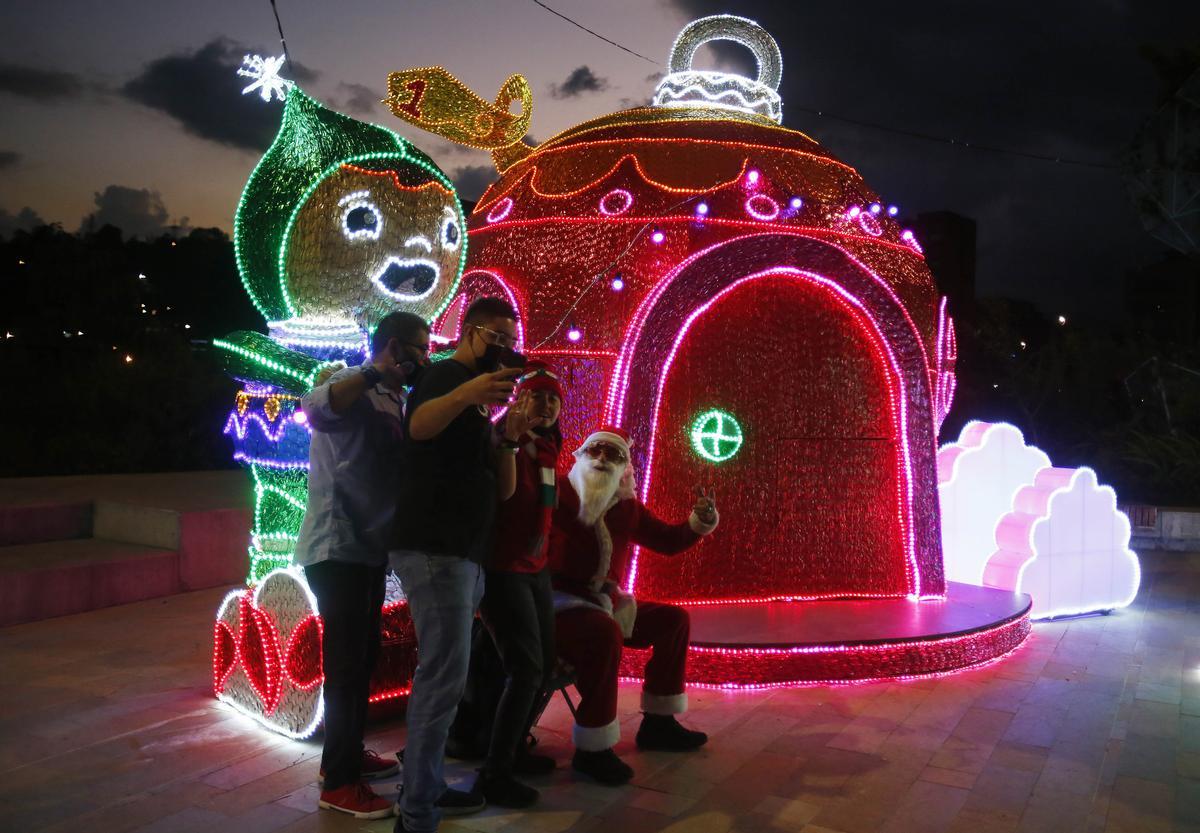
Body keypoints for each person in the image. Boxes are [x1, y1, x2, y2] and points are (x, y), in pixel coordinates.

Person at [390, 297, 526, 833]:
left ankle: (428, 788)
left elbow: (507, 489)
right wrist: (469, 392)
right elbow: (418, 427)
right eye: (495, 337)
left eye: (510, 340)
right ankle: (417, 813)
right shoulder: (445, 374)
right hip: (435, 549)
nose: (503, 348)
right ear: (470, 332)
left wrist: (507, 435)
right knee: (442, 679)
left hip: (465, 554)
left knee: (448, 676)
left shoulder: (476, 407)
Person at [295, 311, 432, 820]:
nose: (426, 354)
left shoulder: (398, 399)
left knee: (363, 659)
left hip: (368, 551)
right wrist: (376, 371)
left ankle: (346, 758)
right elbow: (315, 407)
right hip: (338, 548)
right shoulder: (348, 381)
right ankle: (340, 783)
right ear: (394, 346)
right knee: (347, 667)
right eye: (420, 347)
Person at [550, 426, 719, 785]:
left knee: (673, 619)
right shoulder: (558, 493)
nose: (601, 459)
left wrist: (699, 522)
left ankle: (659, 723)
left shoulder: (626, 508)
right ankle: (592, 748)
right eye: (595, 450)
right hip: (559, 605)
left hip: (606, 603)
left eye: (613, 455)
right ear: (580, 455)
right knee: (603, 632)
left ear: (625, 467)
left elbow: (668, 541)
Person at [477, 361, 566, 807]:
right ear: (520, 399)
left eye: (553, 398)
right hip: (504, 568)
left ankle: (512, 749)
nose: (546, 404)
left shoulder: (550, 449)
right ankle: (493, 772)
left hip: (536, 567)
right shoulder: (504, 438)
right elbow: (506, 496)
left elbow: (549, 513)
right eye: (538, 395)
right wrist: (510, 441)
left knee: (545, 665)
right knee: (526, 668)